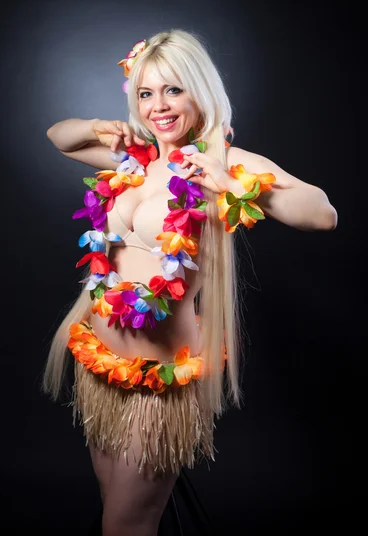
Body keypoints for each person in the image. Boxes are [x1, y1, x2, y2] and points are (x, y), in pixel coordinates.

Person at [42, 29, 337, 536]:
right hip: (102, 365)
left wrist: (231, 187)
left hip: (161, 380)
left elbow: (322, 214)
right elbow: (58, 137)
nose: (159, 105)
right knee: (114, 504)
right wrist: (99, 125)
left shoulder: (223, 163)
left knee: (128, 522)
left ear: (200, 91)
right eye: (146, 93)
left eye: (173, 89)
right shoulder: (135, 161)